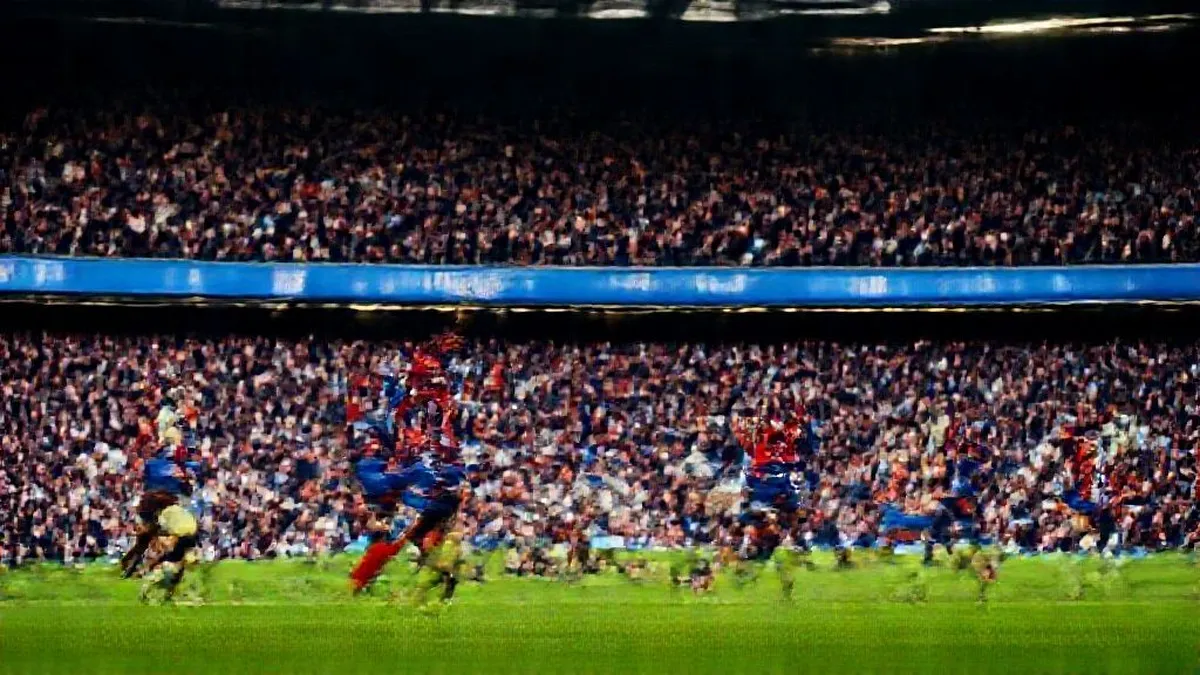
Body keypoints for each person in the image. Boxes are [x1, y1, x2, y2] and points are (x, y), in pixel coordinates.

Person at [119, 441, 201, 601]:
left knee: (145, 542)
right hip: (164, 509)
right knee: (161, 546)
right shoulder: (183, 469)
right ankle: (139, 569)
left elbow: (143, 480)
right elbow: (187, 491)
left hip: (157, 507)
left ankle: (132, 567)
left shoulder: (154, 465)